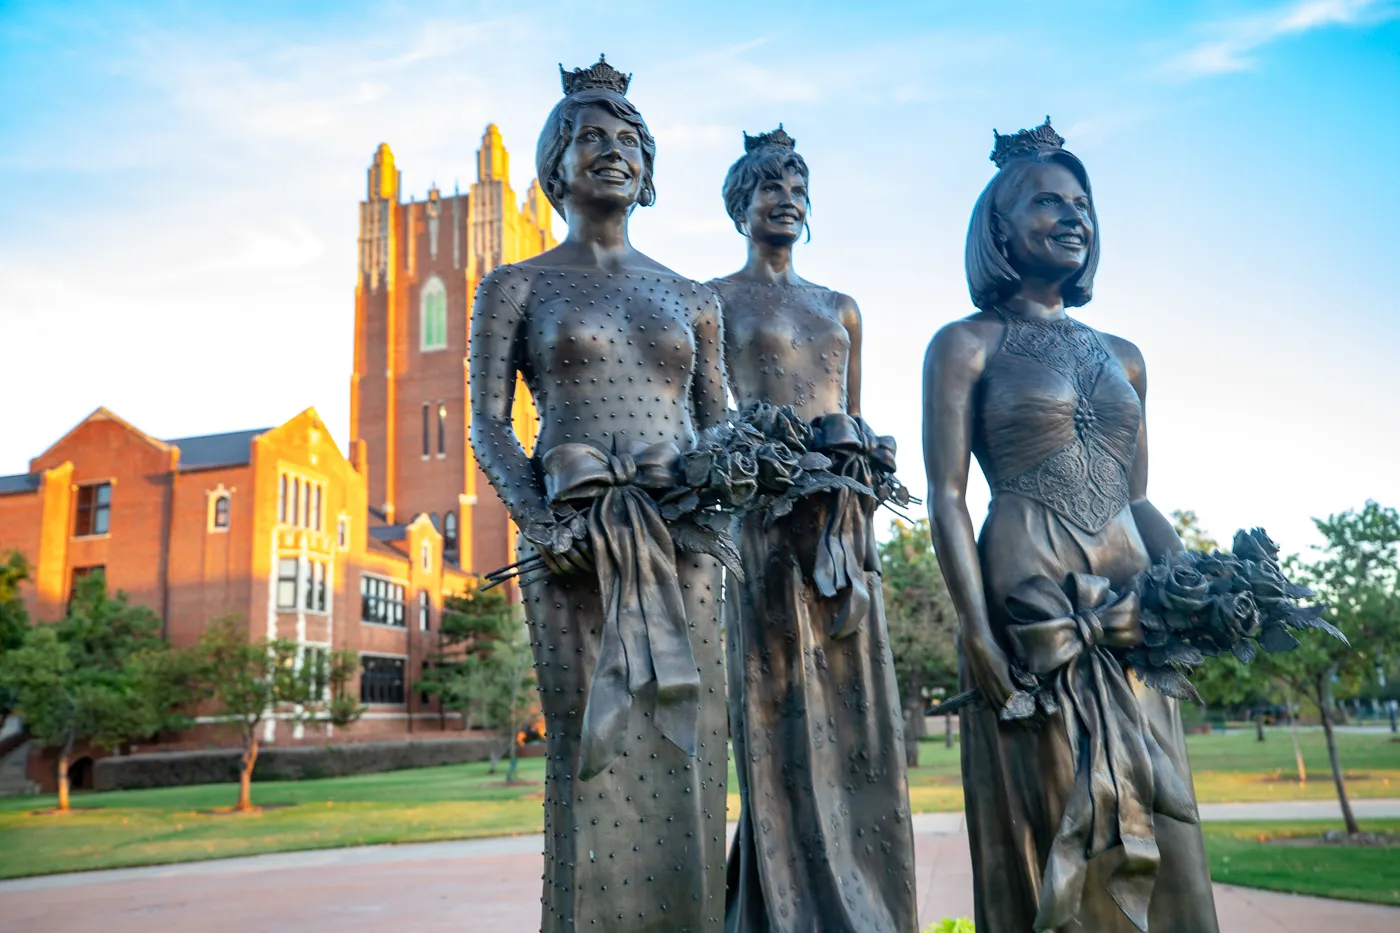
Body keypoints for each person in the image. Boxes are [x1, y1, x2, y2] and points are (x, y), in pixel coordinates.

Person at [921, 118, 1219, 932]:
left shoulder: (1124, 354)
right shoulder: (963, 344)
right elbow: (946, 495)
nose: (1073, 215)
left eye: (1082, 203)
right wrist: (977, 632)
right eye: (1047, 201)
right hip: (1032, 601)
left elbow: (1141, 495)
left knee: (1162, 829)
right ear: (1000, 228)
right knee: (1060, 829)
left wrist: (1199, 579)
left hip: (1133, 613)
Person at [468, 56, 729, 933]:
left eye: (629, 140)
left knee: (688, 754)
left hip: (683, 547)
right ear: (556, 165)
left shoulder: (692, 296)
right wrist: (540, 522)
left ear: (649, 169)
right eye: (590, 137)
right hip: (571, 542)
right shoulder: (516, 285)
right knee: (591, 756)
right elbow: (490, 427)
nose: (612, 151)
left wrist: (716, 503)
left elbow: (718, 427)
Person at [709, 125, 917, 933]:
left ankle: (866, 902)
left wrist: (860, 479)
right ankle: (779, 906)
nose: (786, 196)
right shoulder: (712, 298)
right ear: (741, 204)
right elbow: (705, 419)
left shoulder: (841, 307)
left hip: (839, 528)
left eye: (797, 185)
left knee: (854, 706)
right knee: (775, 705)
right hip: (760, 525)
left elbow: (852, 416)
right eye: (768, 184)